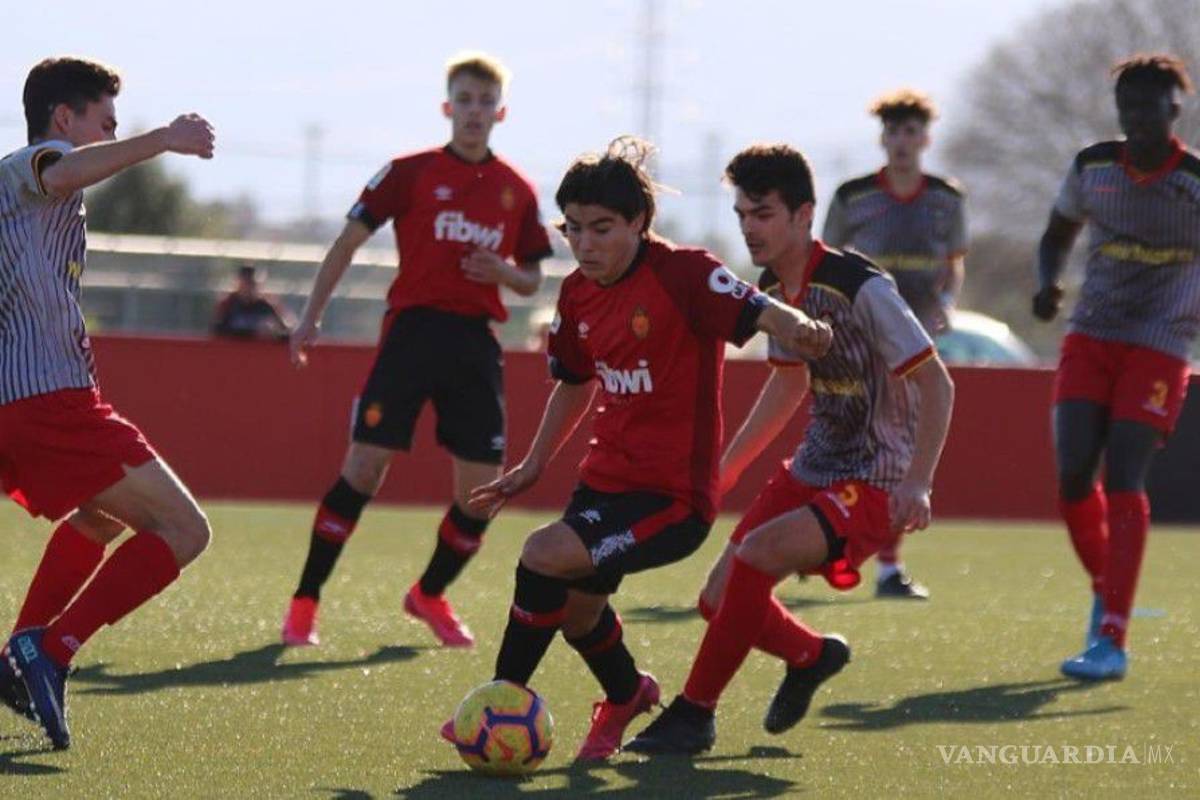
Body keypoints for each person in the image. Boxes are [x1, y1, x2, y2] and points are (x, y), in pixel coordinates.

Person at [438, 136, 832, 761]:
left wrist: (801, 326)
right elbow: (573, 383)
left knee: (543, 555)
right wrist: (533, 465)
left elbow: (758, 310)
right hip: (604, 484)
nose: (586, 244)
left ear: (639, 222)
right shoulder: (576, 293)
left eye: (602, 229)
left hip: (672, 498)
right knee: (578, 616)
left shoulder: (685, 273)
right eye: (574, 230)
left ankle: (501, 701)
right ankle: (627, 695)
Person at [626, 143, 954, 755]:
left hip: (876, 478)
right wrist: (726, 471)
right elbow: (788, 381)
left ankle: (693, 715)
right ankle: (812, 655)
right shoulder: (774, 285)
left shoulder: (862, 287)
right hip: (815, 465)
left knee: (757, 555)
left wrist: (919, 480)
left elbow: (937, 382)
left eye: (764, 214)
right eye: (742, 214)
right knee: (717, 599)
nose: (749, 227)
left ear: (805, 215)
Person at [280, 52, 552, 648]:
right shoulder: (409, 172)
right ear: (447, 107)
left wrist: (501, 270)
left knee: (483, 491)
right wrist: (310, 317)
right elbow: (348, 240)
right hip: (412, 336)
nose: (475, 112)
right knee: (364, 469)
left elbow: (533, 279)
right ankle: (305, 602)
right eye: (466, 100)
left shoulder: (516, 190)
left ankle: (428, 593)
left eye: (486, 102)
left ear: (500, 112)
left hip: (476, 344)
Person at [0, 56, 215, 750]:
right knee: (186, 532)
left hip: (36, 398)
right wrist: (161, 138)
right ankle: (52, 650)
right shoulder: (34, 165)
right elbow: (61, 170)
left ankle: (18, 655)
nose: (112, 137)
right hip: (48, 400)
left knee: (100, 517)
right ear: (64, 120)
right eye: (105, 124)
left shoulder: (49, 199)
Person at [1033, 54, 1199, 681]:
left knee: (1125, 472)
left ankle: (1112, 638)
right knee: (1074, 475)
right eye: (1126, 107)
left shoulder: (1193, 183)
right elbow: (1056, 233)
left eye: (1147, 107)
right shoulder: (1092, 166)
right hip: (1092, 333)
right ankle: (1111, 586)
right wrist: (1048, 284)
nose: (1135, 119)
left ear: (1173, 111)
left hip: (1162, 340)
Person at [821, 88, 966, 599]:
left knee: (900, 446)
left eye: (910, 131)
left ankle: (887, 564)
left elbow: (953, 264)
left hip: (917, 334)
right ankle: (821, 537)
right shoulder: (853, 195)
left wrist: (946, 304)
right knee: (850, 435)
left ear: (925, 138)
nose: (901, 141)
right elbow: (827, 260)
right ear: (881, 138)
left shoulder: (947, 198)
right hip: (862, 330)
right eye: (892, 131)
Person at [211, 264, 293, 340]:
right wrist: (252, 332)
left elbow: (288, 331)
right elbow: (216, 331)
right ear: (238, 284)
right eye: (246, 283)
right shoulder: (228, 304)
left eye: (252, 284)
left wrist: (273, 331)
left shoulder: (268, 305)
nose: (248, 288)